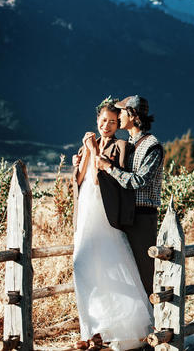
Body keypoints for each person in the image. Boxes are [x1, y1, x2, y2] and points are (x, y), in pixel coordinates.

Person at [72, 99, 153, 350]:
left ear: (119, 124)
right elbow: (80, 179)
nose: (107, 125)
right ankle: (90, 330)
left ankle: (107, 332)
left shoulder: (121, 146)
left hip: (104, 213)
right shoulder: (88, 144)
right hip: (86, 211)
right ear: (96, 120)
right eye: (103, 120)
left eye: (113, 121)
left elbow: (101, 181)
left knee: (107, 266)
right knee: (83, 267)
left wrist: (94, 151)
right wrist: (84, 155)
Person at [95, 95, 163, 297]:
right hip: (125, 215)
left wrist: (109, 168)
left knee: (145, 272)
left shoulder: (152, 146)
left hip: (142, 216)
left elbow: (138, 181)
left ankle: (153, 320)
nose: (119, 115)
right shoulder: (127, 144)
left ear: (132, 115)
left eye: (122, 112)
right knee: (126, 272)